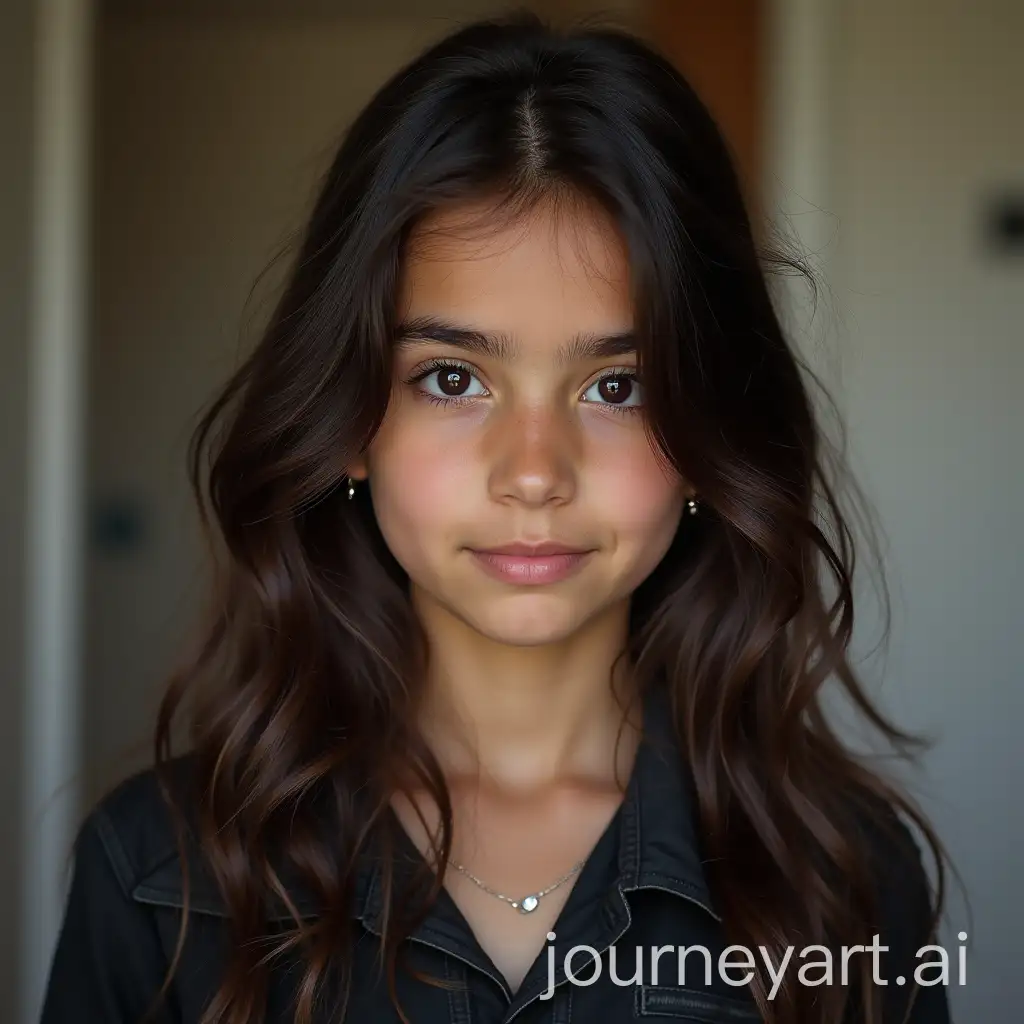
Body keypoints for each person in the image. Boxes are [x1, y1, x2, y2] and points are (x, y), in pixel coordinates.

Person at [41, 12, 952, 1024]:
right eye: (450, 377)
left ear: (710, 430)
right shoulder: (157, 872)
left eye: (618, 387)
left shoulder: (841, 876)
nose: (532, 474)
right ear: (349, 421)